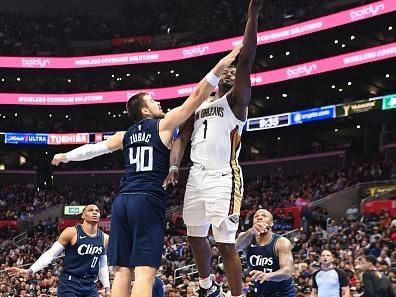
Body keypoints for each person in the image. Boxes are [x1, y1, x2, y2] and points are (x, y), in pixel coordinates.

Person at [51, 46, 241, 297]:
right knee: (144, 272)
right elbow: (198, 95)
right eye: (153, 100)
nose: (158, 101)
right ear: (144, 110)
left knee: (122, 271)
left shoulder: (125, 135)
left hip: (122, 202)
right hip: (147, 200)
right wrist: (225, 61)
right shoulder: (164, 125)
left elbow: (93, 150)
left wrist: (65, 156)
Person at [162, 1, 264, 296]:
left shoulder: (236, 103)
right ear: (219, 80)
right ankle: (208, 288)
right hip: (196, 175)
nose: (232, 73)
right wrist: (173, 166)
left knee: (225, 243)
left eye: (236, 73)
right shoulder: (201, 105)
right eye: (228, 73)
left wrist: (252, 16)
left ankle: (237, 294)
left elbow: (245, 60)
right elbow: (180, 137)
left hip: (224, 176)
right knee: (194, 237)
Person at [9, 204, 110, 297]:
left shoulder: (105, 238)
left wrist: (107, 287)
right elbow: (50, 254)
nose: (94, 212)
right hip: (69, 284)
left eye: (97, 211)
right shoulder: (71, 232)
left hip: (90, 285)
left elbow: (102, 264)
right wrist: (31, 270)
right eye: (90, 210)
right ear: (83, 215)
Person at [235, 209, 295, 297]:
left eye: (264, 216)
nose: (259, 217)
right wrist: (251, 231)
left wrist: (267, 276)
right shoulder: (247, 238)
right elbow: (235, 247)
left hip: (282, 292)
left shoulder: (281, 242)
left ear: (271, 224)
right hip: (260, 292)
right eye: (256, 216)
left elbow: (287, 271)